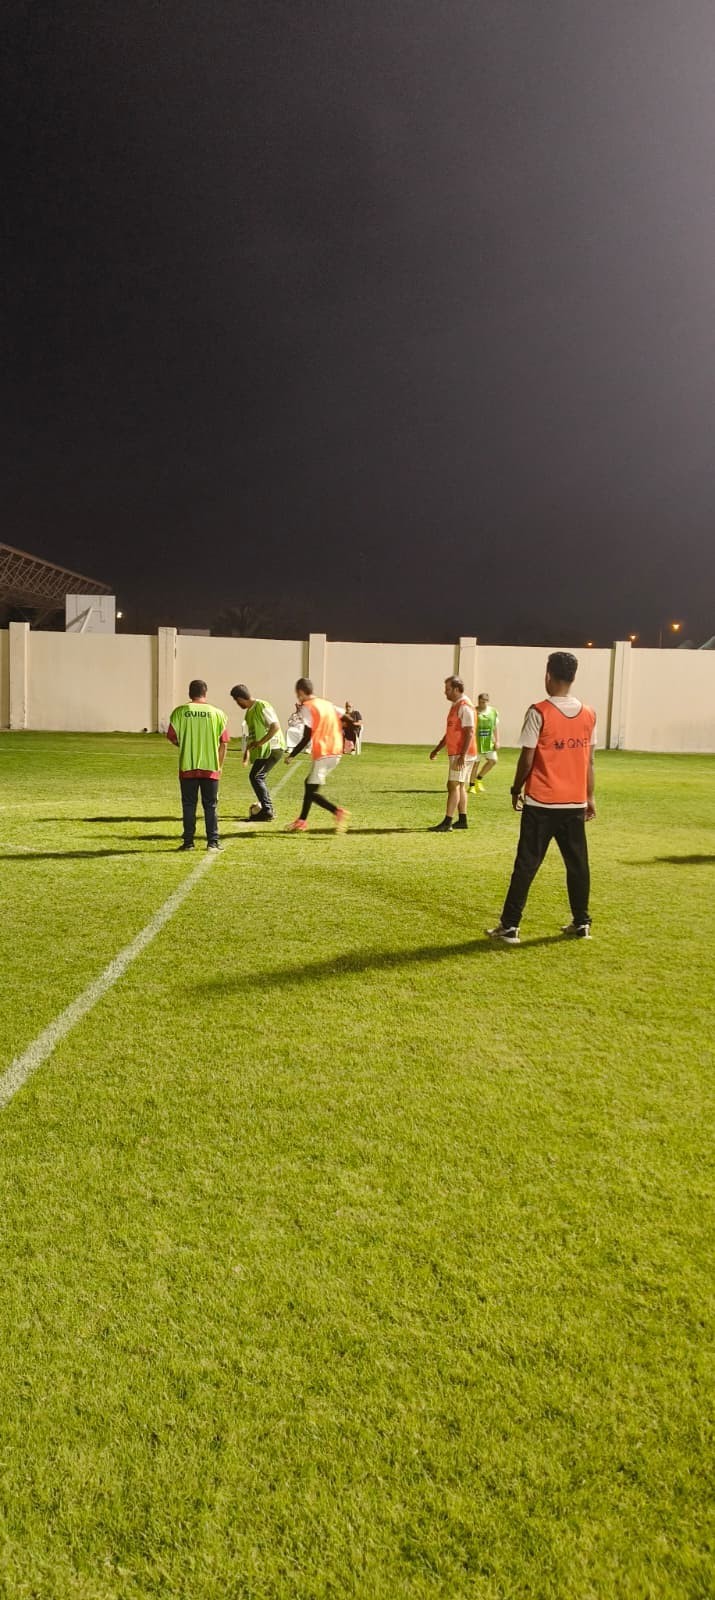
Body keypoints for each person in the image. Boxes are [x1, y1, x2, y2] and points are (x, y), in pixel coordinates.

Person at [486, 651, 596, 944]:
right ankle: (582, 922)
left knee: (526, 864)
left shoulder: (539, 711)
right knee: (578, 864)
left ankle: (510, 926)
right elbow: (589, 761)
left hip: (542, 802)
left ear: (548, 675)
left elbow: (527, 757)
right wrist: (590, 797)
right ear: (573, 677)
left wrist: (515, 788)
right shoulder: (589, 713)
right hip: (574, 802)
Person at [167, 679, 229, 850]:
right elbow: (224, 743)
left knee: (188, 805)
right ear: (205, 693)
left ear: (189, 693)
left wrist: (185, 746)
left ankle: (188, 842)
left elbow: (172, 736)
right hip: (210, 767)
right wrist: (219, 766)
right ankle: (213, 842)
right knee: (211, 805)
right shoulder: (218, 713)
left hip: (188, 766)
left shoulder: (180, 712)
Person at [284, 677, 349, 832]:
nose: (298, 698)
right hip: (335, 751)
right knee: (309, 785)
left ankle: (337, 811)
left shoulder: (308, 707)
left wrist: (292, 754)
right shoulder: (327, 704)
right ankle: (302, 821)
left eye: (297, 694)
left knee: (311, 792)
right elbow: (347, 718)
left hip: (323, 752)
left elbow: (307, 736)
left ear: (301, 692)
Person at [428, 675, 477, 831]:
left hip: (461, 753)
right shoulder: (457, 705)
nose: (445, 692)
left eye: (448, 689)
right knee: (460, 785)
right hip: (459, 752)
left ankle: (447, 822)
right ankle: (462, 819)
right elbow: (450, 732)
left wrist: (462, 755)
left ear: (456, 689)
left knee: (453, 785)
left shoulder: (464, 706)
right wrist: (437, 749)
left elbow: (470, 732)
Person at [230, 684, 285, 820]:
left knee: (256, 776)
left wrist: (261, 742)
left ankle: (267, 810)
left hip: (273, 747)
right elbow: (252, 736)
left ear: (240, 699)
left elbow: (275, 726)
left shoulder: (262, 705)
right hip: (265, 749)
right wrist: (247, 751)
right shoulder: (249, 712)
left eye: (236, 701)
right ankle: (267, 809)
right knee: (256, 776)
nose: (237, 704)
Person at [470, 692, 500, 792]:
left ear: (488, 701)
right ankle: (472, 786)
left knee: (493, 760)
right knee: (475, 764)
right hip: (476, 742)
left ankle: (479, 779)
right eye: (480, 702)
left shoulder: (493, 712)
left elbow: (495, 727)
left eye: (484, 702)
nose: (482, 704)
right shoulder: (473, 711)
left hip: (488, 741)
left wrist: (497, 741)